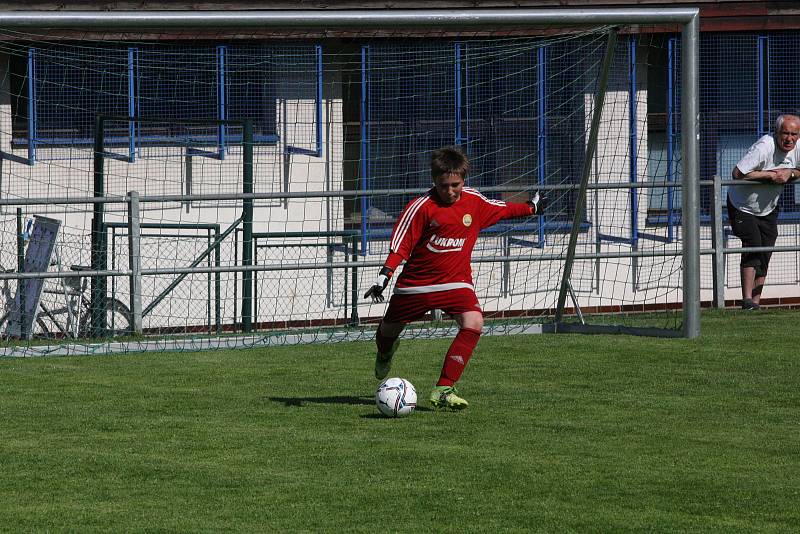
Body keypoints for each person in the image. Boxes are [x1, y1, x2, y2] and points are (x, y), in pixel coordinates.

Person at [364, 146, 546, 410]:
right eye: (443, 185)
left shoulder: (474, 201)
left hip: (456, 282)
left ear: (464, 179)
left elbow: (502, 209)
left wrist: (531, 208)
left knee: (474, 322)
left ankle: (444, 388)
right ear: (434, 180)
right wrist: (384, 276)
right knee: (388, 333)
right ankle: (385, 351)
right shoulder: (420, 208)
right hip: (416, 285)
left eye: (455, 185)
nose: (450, 191)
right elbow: (401, 246)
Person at [729, 113, 800, 310]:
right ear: (776, 133)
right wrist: (770, 175)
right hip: (742, 205)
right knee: (753, 245)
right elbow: (737, 173)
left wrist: (790, 172)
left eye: (794, 134)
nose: (789, 138)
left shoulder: (798, 146)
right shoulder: (764, 146)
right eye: (785, 133)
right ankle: (747, 301)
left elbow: (798, 170)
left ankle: (757, 303)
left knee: (765, 251)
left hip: (768, 207)